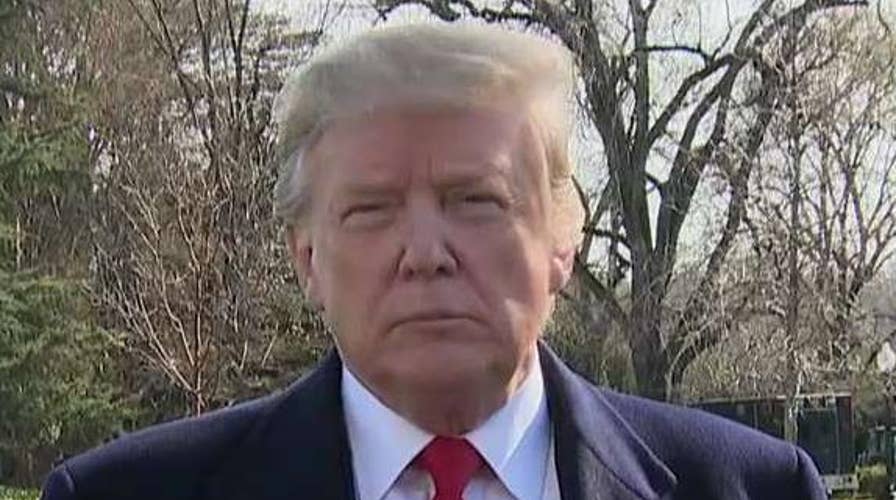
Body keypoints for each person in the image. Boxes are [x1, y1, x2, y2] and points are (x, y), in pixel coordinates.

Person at [41, 23, 825, 500]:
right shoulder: (125, 495)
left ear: (563, 238)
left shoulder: (754, 490)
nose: (424, 253)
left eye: (475, 201)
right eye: (371, 209)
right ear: (306, 256)